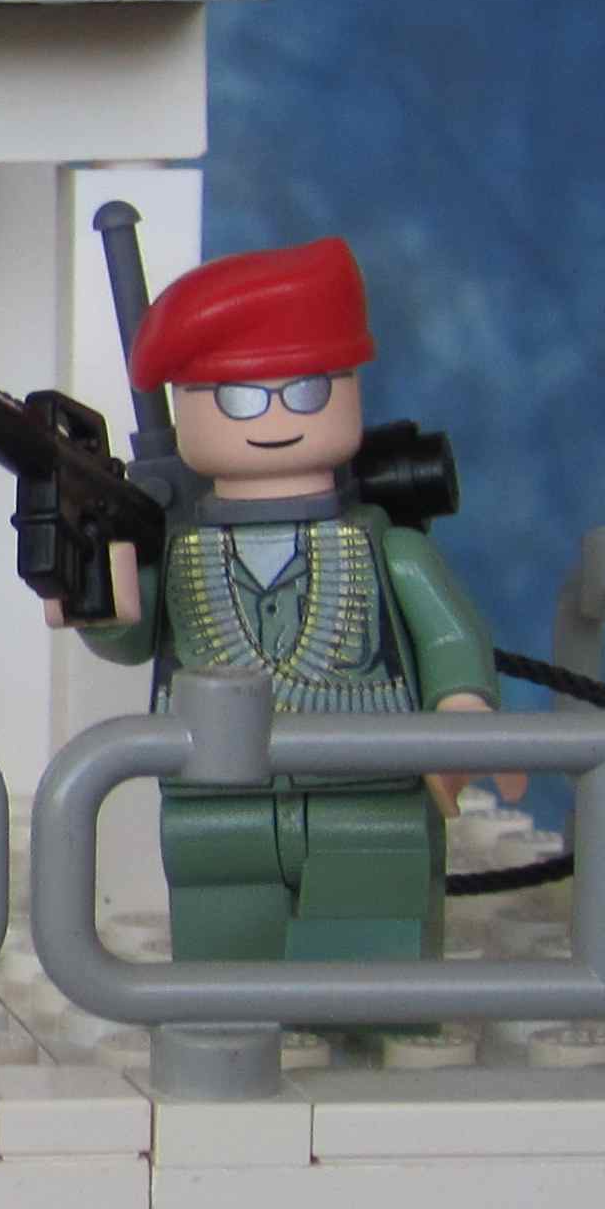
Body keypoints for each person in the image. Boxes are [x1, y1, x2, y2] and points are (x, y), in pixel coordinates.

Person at [71, 238, 489, 964]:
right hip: (214, 789)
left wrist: (461, 708)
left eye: (307, 391)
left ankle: (364, 1020)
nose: (273, 416)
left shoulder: (386, 548)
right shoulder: (179, 547)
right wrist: (94, 595)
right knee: (226, 940)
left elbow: (449, 639)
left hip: (369, 785)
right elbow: (130, 639)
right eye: (238, 398)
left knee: (370, 944)